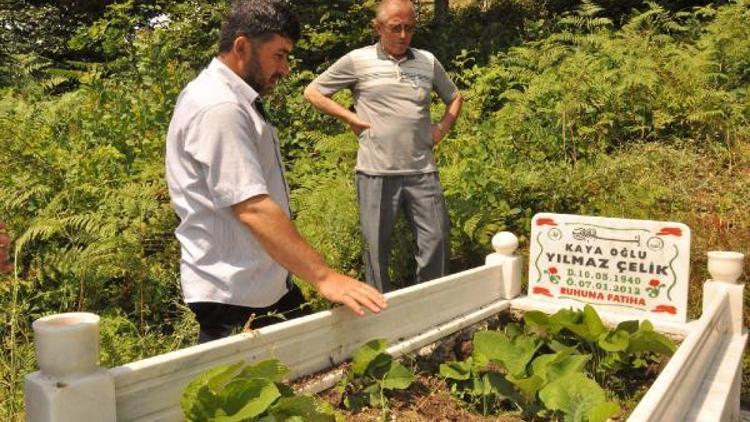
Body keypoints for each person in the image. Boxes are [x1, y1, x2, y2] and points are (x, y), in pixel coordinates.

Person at [165, 0, 387, 343]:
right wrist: (325, 277)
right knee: (249, 389)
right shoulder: (220, 107)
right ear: (242, 47)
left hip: (259, 284)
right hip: (234, 295)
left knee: (316, 362)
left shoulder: (230, 98)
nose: (285, 69)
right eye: (279, 55)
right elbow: (252, 207)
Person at [304, 0, 463, 292]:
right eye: (395, 28)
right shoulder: (357, 60)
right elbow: (313, 92)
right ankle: (381, 314)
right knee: (375, 250)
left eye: (410, 28)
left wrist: (441, 128)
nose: (403, 35)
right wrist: (349, 117)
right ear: (378, 28)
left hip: (422, 171)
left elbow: (454, 97)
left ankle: (429, 304)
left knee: (436, 240)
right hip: (375, 173)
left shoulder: (427, 61)